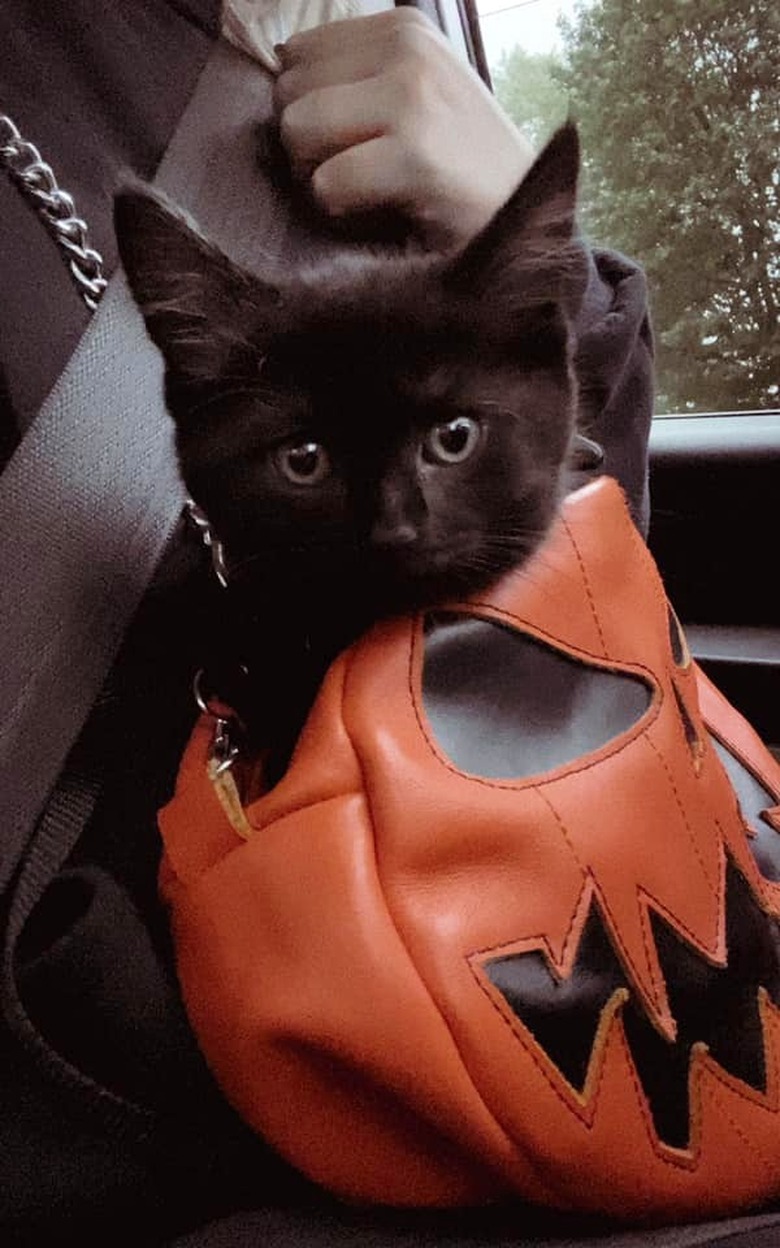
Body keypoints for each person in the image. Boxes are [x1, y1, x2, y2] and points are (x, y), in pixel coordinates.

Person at [0, 2, 675, 1243]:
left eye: (448, 443)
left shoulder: (393, 71)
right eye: (309, 460)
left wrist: (563, 276)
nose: (397, 523)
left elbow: (606, 572)